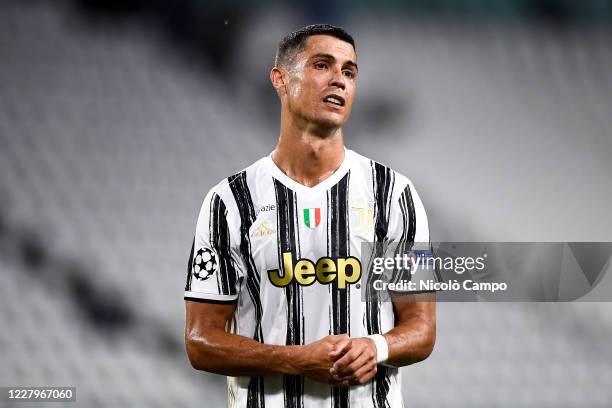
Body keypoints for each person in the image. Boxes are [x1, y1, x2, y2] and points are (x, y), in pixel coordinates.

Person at [184, 24, 439, 408]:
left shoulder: (394, 195)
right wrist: (298, 360)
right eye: (323, 65)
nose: (339, 80)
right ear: (281, 80)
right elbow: (200, 342)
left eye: (349, 72)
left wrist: (376, 346)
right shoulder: (229, 202)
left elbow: (422, 328)